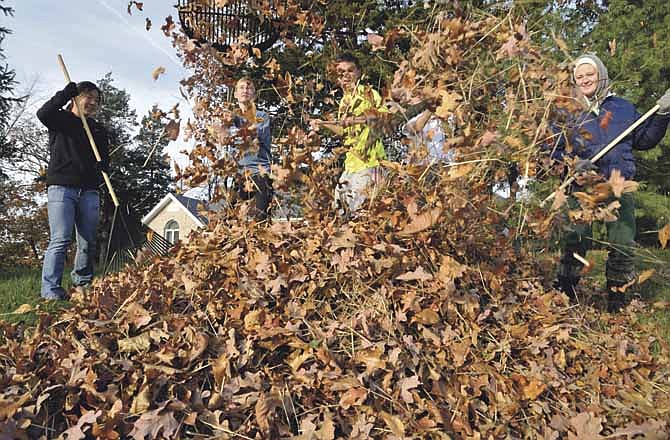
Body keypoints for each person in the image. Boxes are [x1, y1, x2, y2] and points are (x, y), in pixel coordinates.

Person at [550, 53, 670, 311]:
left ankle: (617, 297)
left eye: (589, 74)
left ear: (601, 75)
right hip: (581, 183)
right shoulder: (568, 110)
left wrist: (662, 114)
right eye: (579, 76)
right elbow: (554, 149)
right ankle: (565, 291)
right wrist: (572, 164)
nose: (584, 80)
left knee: (622, 241)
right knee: (576, 237)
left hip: (617, 182)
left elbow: (644, 140)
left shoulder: (623, 107)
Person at [37, 81, 110, 300]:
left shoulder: (97, 129)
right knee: (60, 238)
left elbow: (105, 160)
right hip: (62, 187)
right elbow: (43, 113)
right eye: (89, 96)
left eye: (96, 99)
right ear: (76, 98)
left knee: (88, 239)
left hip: (89, 190)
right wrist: (63, 94)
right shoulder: (60, 120)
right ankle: (51, 290)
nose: (93, 102)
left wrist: (103, 166)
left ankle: (83, 283)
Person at [310, 53, 387, 216]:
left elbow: (383, 118)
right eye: (341, 72)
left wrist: (356, 119)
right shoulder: (344, 101)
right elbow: (344, 131)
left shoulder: (369, 93)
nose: (345, 75)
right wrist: (323, 123)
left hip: (370, 162)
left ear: (358, 72)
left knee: (362, 216)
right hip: (350, 165)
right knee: (341, 212)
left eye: (349, 70)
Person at [230, 77, 273, 220]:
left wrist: (236, 132)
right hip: (239, 175)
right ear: (235, 93)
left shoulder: (262, 116)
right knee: (231, 220)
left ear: (254, 95)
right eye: (241, 87)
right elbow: (224, 138)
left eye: (249, 88)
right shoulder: (230, 119)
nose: (245, 90)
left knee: (261, 220)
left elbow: (253, 133)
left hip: (259, 173)